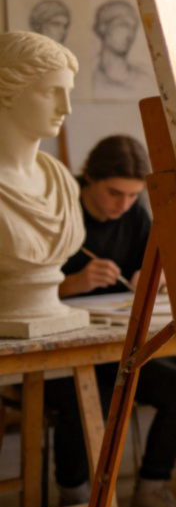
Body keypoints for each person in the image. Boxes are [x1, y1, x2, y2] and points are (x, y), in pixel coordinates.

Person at [45, 134, 176, 507]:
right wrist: (71, 284)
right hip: (59, 354)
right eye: (115, 193)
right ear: (89, 179)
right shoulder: (60, 206)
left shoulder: (134, 214)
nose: (124, 204)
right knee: (86, 393)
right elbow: (18, 288)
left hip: (115, 346)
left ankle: (151, 491)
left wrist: (153, 278)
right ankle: (74, 502)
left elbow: (157, 262)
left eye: (133, 196)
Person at [0, 31, 86, 336]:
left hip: (52, 308)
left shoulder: (61, 179)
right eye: (51, 92)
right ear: (7, 90)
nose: (66, 108)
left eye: (69, 92)